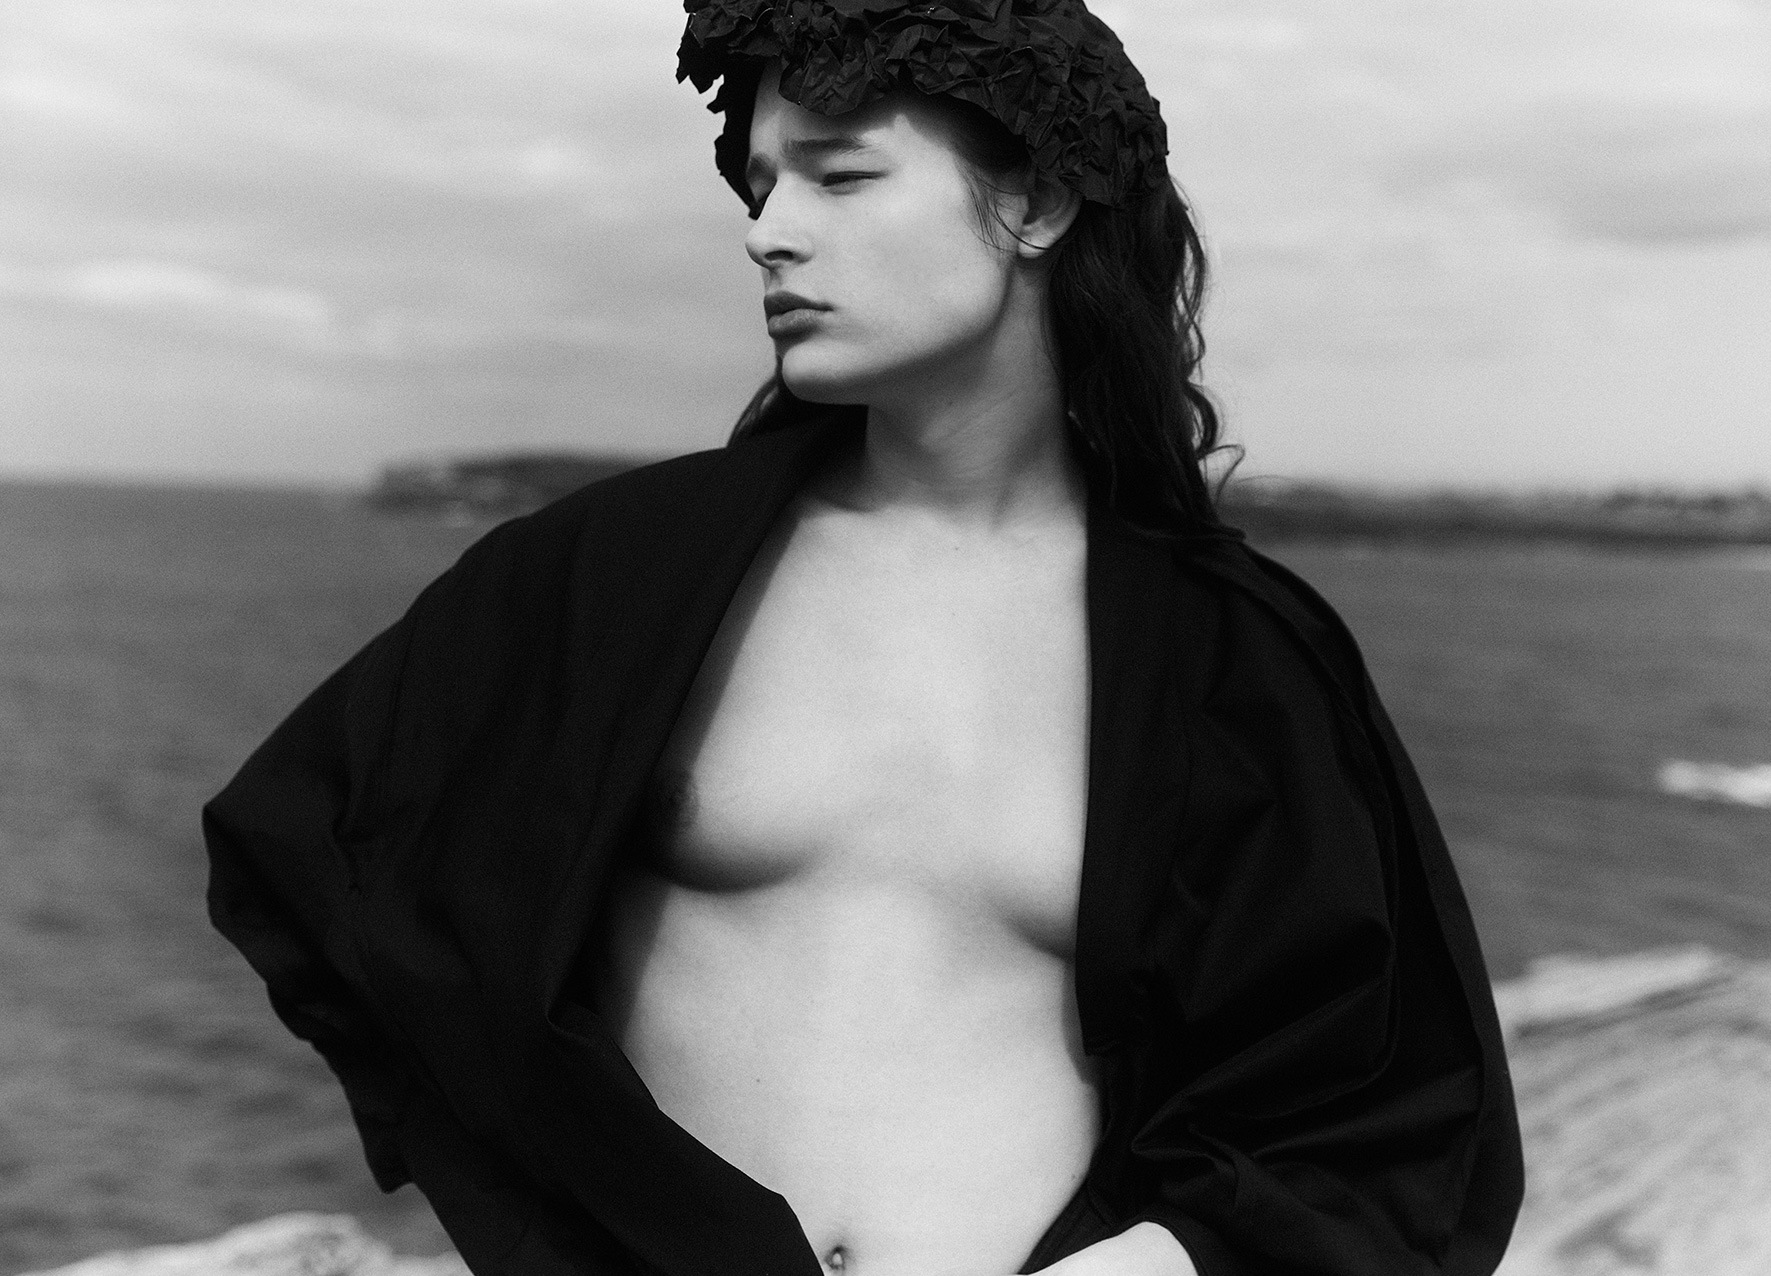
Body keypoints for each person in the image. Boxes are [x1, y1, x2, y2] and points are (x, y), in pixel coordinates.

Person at [204, 3, 1524, 1274]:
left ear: (1038, 204)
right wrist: (558, 1225)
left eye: (838, 178)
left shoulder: (1236, 660)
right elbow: (319, 859)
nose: (768, 234)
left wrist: (1146, 1265)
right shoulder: (615, 571)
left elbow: (1390, 1110)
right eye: (761, 188)